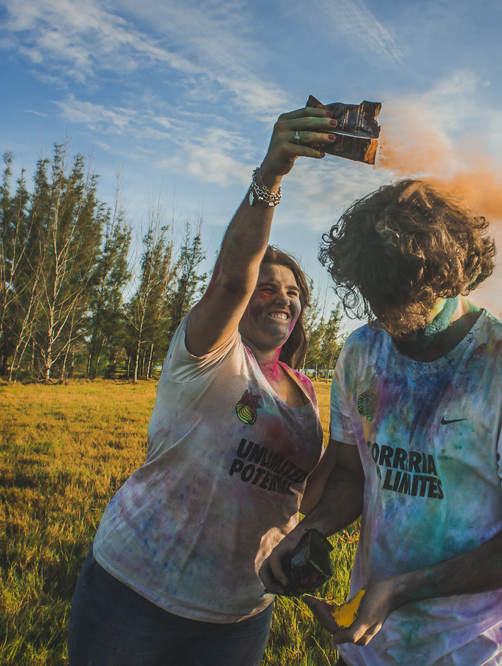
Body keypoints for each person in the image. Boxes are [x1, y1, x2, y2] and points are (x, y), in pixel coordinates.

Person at [259, 180, 502, 666]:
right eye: (377, 298)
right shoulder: (361, 351)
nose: (387, 319)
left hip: (475, 651)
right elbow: (352, 472)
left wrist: (400, 590)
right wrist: (315, 530)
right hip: (372, 650)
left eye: (405, 299)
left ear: (453, 278)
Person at [67, 105, 342, 666]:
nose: (283, 297)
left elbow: (298, 489)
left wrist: (298, 540)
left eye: (293, 292)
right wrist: (271, 174)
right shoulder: (208, 355)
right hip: (136, 592)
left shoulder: (306, 392)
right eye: (267, 287)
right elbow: (232, 274)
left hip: (239, 614)